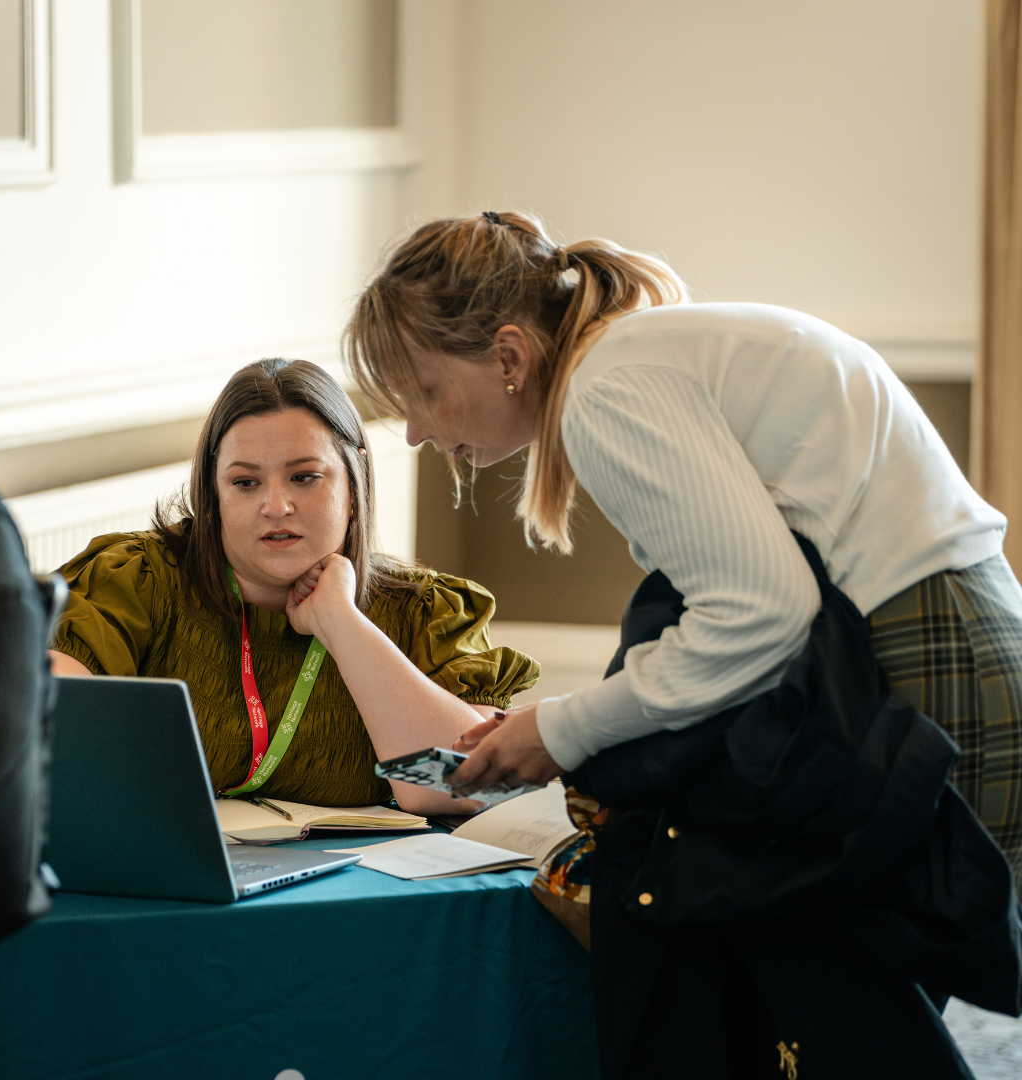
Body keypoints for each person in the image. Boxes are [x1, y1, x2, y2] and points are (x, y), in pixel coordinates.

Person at [343, 210, 1022, 1078]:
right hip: (949, 637)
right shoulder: (642, 355)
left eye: (424, 395)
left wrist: (561, 730)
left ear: (509, 357)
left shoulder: (608, 388)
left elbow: (757, 613)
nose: (412, 432)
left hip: (928, 655)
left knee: (824, 992)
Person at [48, 358, 538, 816]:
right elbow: (45, 729)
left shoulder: (426, 611)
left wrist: (344, 625)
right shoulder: (135, 579)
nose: (276, 506)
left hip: (358, 891)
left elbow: (470, 783)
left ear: (353, 486)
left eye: (305, 477)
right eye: (245, 483)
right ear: (214, 496)